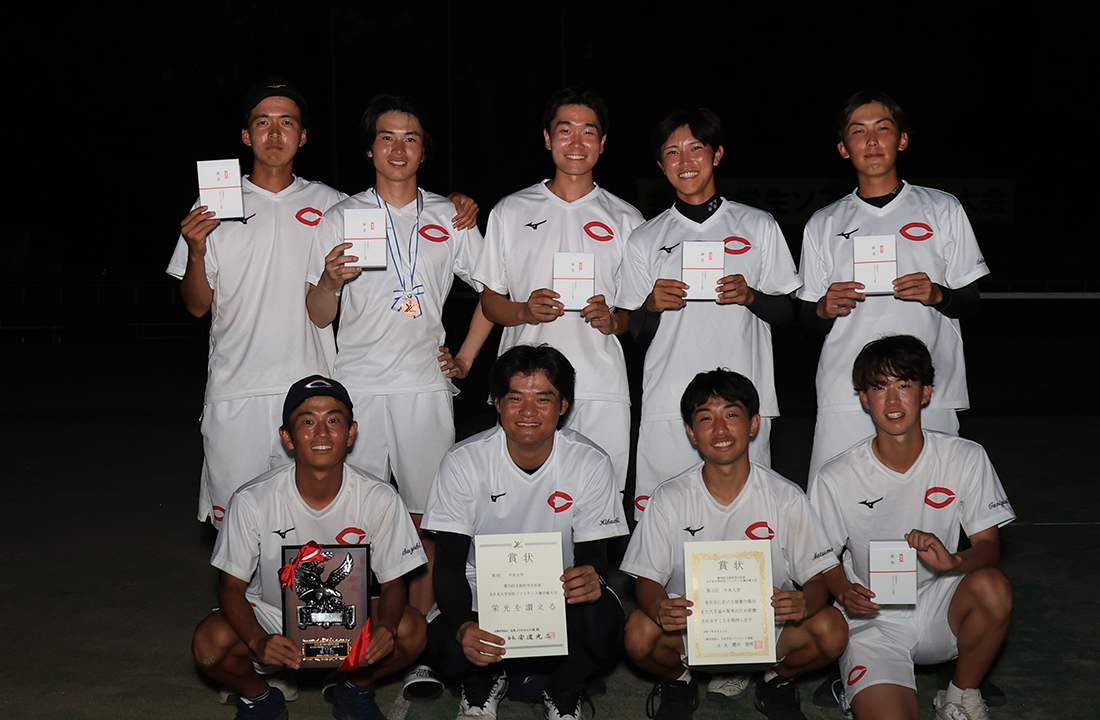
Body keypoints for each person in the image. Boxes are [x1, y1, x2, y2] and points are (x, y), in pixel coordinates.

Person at [305, 94, 491, 639]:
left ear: (424, 151)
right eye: (386, 137)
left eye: (411, 138)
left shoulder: (450, 216)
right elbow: (317, 313)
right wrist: (329, 281)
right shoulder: (340, 217)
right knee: (346, 515)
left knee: (427, 518)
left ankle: (420, 638)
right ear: (369, 149)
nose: (398, 147)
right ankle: (336, 636)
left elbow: (493, 291)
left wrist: (465, 357)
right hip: (356, 386)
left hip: (424, 388)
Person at [191, 375, 429, 720]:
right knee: (209, 645)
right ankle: (260, 698)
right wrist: (258, 640)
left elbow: (394, 583)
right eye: (307, 422)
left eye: (333, 420)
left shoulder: (379, 497)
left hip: (350, 616)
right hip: (273, 615)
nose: (321, 433)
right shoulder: (252, 499)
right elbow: (230, 587)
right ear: (287, 437)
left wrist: (387, 627)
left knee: (411, 630)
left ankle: (355, 689)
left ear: (351, 432)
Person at [167, 77, 347, 528]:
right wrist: (196, 252)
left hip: (310, 389)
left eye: (287, 122)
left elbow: (398, 217)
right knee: (238, 527)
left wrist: (452, 204)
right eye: (263, 122)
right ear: (246, 136)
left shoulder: (332, 203)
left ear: (302, 136)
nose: (275, 132)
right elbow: (196, 306)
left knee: (312, 524)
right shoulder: (213, 204)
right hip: (236, 390)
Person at [621, 369, 847, 720]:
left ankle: (776, 680)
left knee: (832, 629)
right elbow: (647, 580)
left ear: (753, 424)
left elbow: (816, 579)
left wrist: (805, 602)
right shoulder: (669, 497)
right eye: (705, 418)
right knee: (638, 632)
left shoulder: (785, 496)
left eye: (731, 415)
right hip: (690, 631)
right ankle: (679, 682)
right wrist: (659, 607)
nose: (720, 429)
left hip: (770, 631)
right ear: (691, 432)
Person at [810, 335, 1014, 720]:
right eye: (879, 387)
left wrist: (954, 561)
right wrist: (843, 589)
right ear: (864, 398)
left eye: (904, 385)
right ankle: (859, 685)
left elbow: (989, 546)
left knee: (993, 586)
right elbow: (819, 559)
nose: (892, 401)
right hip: (872, 616)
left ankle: (959, 695)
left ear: (926, 392)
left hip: (940, 605)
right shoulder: (836, 475)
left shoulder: (965, 456)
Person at [422, 345, 628, 720]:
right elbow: (449, 561)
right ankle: (482, 681)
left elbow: (594, 557)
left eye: (543, 399)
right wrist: (463, 625)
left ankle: (563, 686)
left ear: (563, 405)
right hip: (482, 591)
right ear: (497, 402)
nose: (528, 412)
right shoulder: (464, 461)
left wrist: (591, 576)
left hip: (557, 593)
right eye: (516, 398)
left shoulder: (590, 461)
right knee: (444, 645)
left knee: (605, 623)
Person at [797, 91, 989, 487]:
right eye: (858, 131)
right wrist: (824, 308)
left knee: (933, 504)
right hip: (846, 394)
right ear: (843, 148)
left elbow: (971, 303)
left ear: (902, 139)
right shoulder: (823, 223)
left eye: (882, 129)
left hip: (928, 391)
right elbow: (808, 321)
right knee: (837, 506)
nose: (871, 141)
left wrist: (939, 295)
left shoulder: (943, 209)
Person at [618, 108, 800, 517]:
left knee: (749, 521)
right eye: (672, 152)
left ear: (716, 154)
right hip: (669, 403)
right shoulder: (645, 238)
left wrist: (750, 296)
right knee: (667, 523)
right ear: (661, 165)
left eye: (695, 148)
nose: (685, 161)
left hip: (743, 401)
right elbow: (636, 332)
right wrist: (651, 306)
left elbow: (789, 314)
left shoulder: (758, 225)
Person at [474, 86, 643, 493]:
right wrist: (524, 311)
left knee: (599, 501)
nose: (576, 142)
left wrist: (613, 321)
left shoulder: (627, 218)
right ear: (548, 138)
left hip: (600, 385)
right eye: (565, 130)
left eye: (588, 132)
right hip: (525, 388)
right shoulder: (511, 210)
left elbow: (639, 313)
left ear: (603, 143)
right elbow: (491, 302)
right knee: (521, 496)